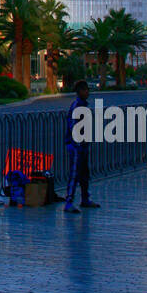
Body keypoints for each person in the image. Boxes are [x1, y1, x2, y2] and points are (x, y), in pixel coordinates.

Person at [64, 80, 100, 213]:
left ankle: (85, 198)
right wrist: (77, 143)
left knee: (85, 173)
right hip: (76, 147)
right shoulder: (77, 106)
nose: (87, 92)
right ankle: (69, 202)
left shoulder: (83, 105)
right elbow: (74, 126)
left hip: (83, 145)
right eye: (85, 90)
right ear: (80, 92)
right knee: (74, 174)